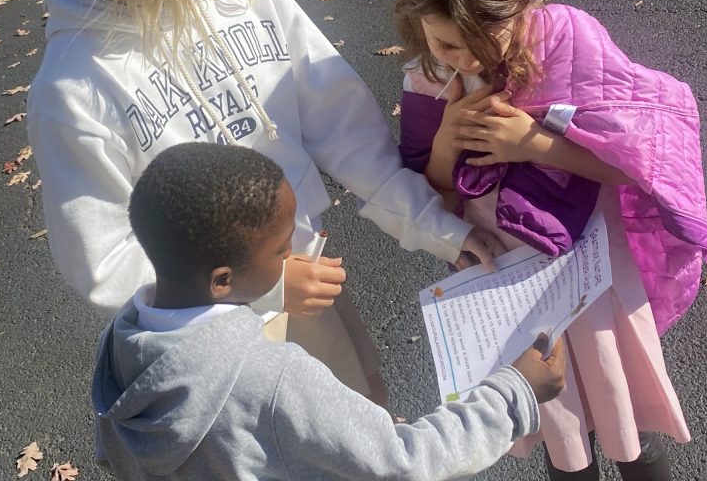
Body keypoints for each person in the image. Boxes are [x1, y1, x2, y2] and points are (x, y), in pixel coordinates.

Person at [27, 0, 506, 407]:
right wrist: (264, 289)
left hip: (299, 280)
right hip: (218, 351)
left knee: (370, 427)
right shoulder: (75, 86)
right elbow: (104, 264)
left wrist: (438, 227)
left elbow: (338, 117)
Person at [394, 0, 707, 481]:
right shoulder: (426, 81)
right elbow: (427, 198)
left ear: (525, 1)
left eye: (483, 41)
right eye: (447, 44)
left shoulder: (567, 37)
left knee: (628, 419)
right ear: (417, 21)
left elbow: (643, 160)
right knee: (560, 426)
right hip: (513, 285)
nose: (467, 59)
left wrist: (536, 146)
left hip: (592, 272)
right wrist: (446, 144)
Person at [94, 141, 566, 480]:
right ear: (222, 280)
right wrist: (513, 391)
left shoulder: (120, 344)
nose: (294, 257)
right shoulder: (273, 379)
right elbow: (403, 461)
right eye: (282, 250)